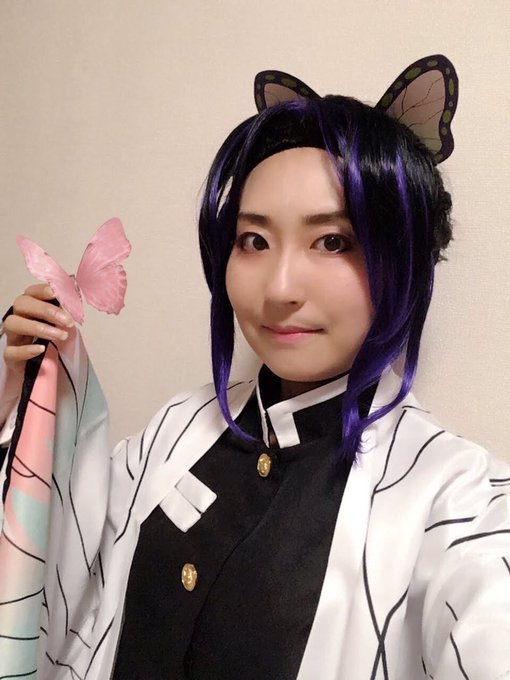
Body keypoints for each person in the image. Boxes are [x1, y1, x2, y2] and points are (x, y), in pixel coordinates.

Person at [1, 56, 510, 680]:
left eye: (333, 241)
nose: (280, 288)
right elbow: (59, 553)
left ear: (404, 261)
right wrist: (23, 400)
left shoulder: (454, 497)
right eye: (254, 241)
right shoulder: (178, 429)